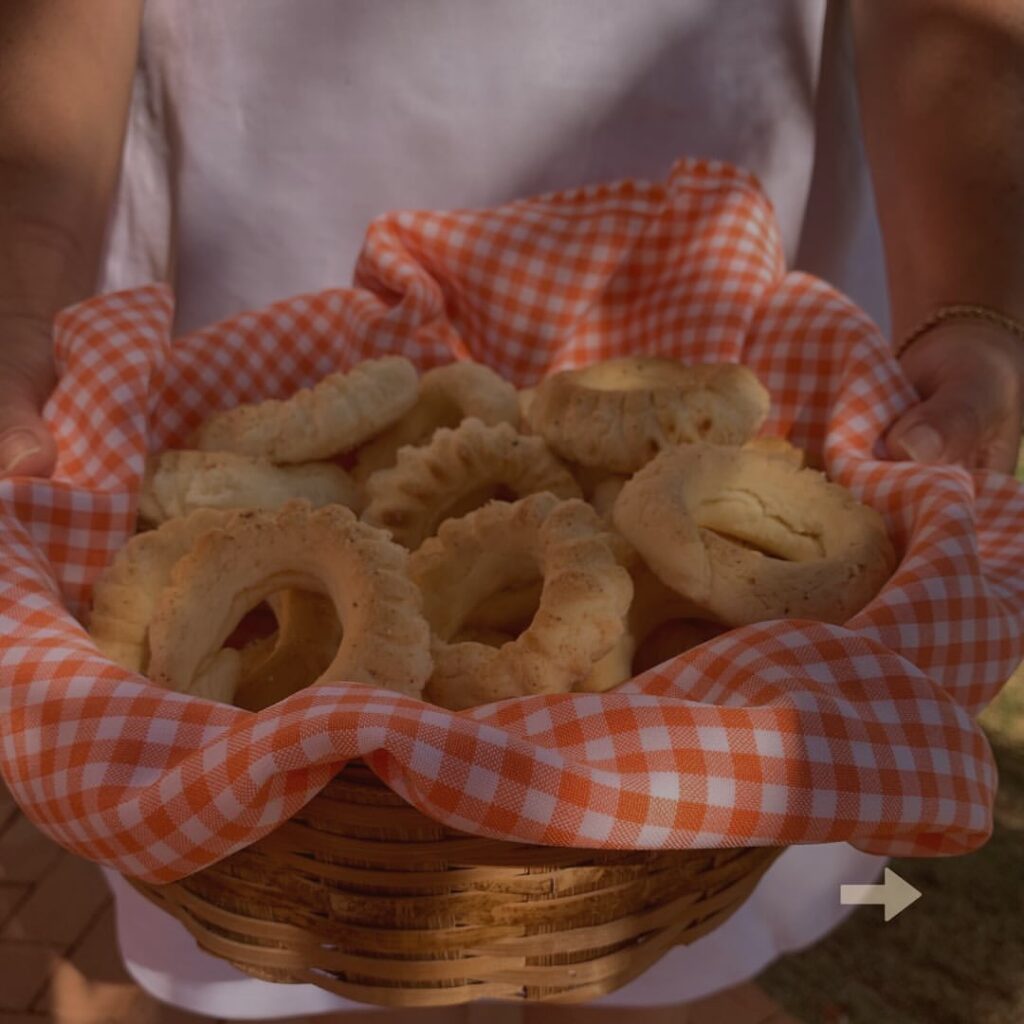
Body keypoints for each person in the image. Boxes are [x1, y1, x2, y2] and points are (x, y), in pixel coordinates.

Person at [0, 1, 1022, 1021]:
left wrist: (975, 305)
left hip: (716, 222)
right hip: (250, 225)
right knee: (292, 945)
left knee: (660, 956)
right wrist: (18, 310)